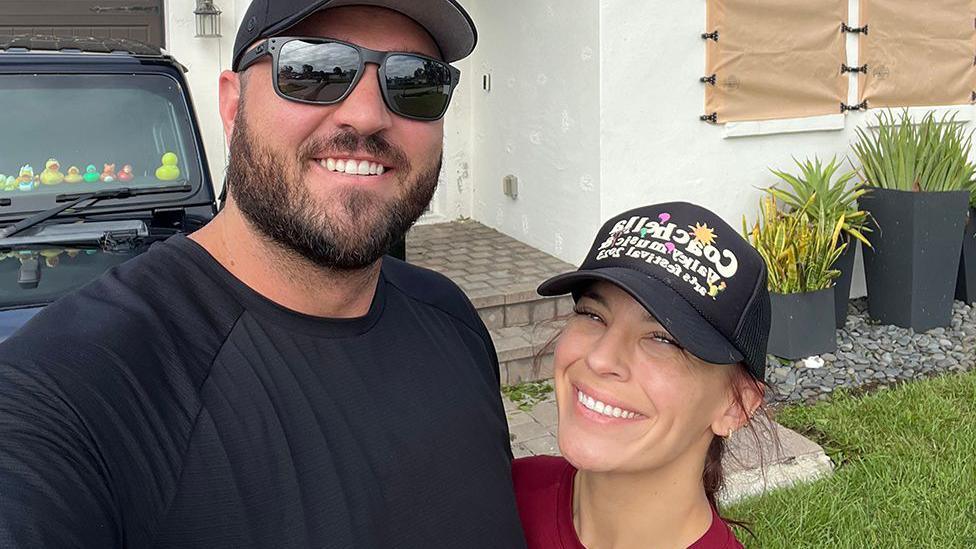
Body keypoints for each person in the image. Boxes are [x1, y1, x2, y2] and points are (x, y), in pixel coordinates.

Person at [0, 1, 527, 547]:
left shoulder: (452, 318)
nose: (369, 115)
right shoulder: (67, 393)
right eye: (313, 69)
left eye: (416, 80)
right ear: (232, 107)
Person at [513, 202, 771, 549]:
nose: (601, 358)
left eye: (663, 339)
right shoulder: (503, 496)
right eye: (592, 315)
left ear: (736, 407)